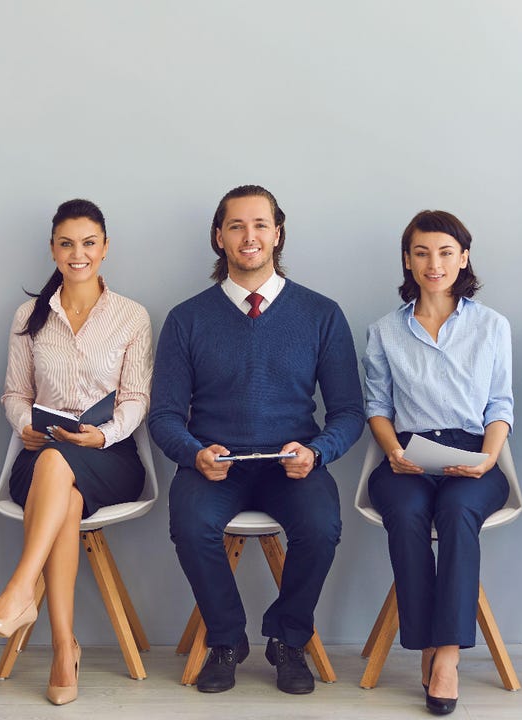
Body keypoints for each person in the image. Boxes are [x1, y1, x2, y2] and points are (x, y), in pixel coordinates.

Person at [150, 184, 364, 695]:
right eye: (237, 226)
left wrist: (317, 452)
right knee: (190, 524)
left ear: (278, 234)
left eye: (260, 225)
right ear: (218, 238)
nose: (250, 237)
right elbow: (163, 416)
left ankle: (289, 639)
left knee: (321, 526)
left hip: (291, 466)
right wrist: (193, 453)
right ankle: (225, 639)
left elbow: (349, 413)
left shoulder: (321, 314)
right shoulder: (187, 319)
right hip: (213, 466)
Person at [0, 199, 152, 706]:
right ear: (53, 249)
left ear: (105, 248)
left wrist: (103, 435)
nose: (78, 254)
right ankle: (62, 649)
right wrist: (26, 424)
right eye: (67, 243)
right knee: (60, 487)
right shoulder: (30, 316)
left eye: (89, 243)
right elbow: (13, 394)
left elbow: (136, 398)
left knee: (61, 468)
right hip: (43, 452)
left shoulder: (131, 316)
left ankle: (20, 591)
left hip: (110, 457)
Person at [362, 211, 513, 716]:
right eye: (422, 252)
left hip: (474, 452)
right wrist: (394, 452)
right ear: (407, 260)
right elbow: (377, 407)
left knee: (454, 515)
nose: (434, 263)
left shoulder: (492, 326)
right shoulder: (385, 330)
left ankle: (444, 655)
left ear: (463, 257)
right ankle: (425, 645)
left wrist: (489, 457)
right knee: (405, 515)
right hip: (407, 453)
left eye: (446, 252)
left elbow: (500, 406)